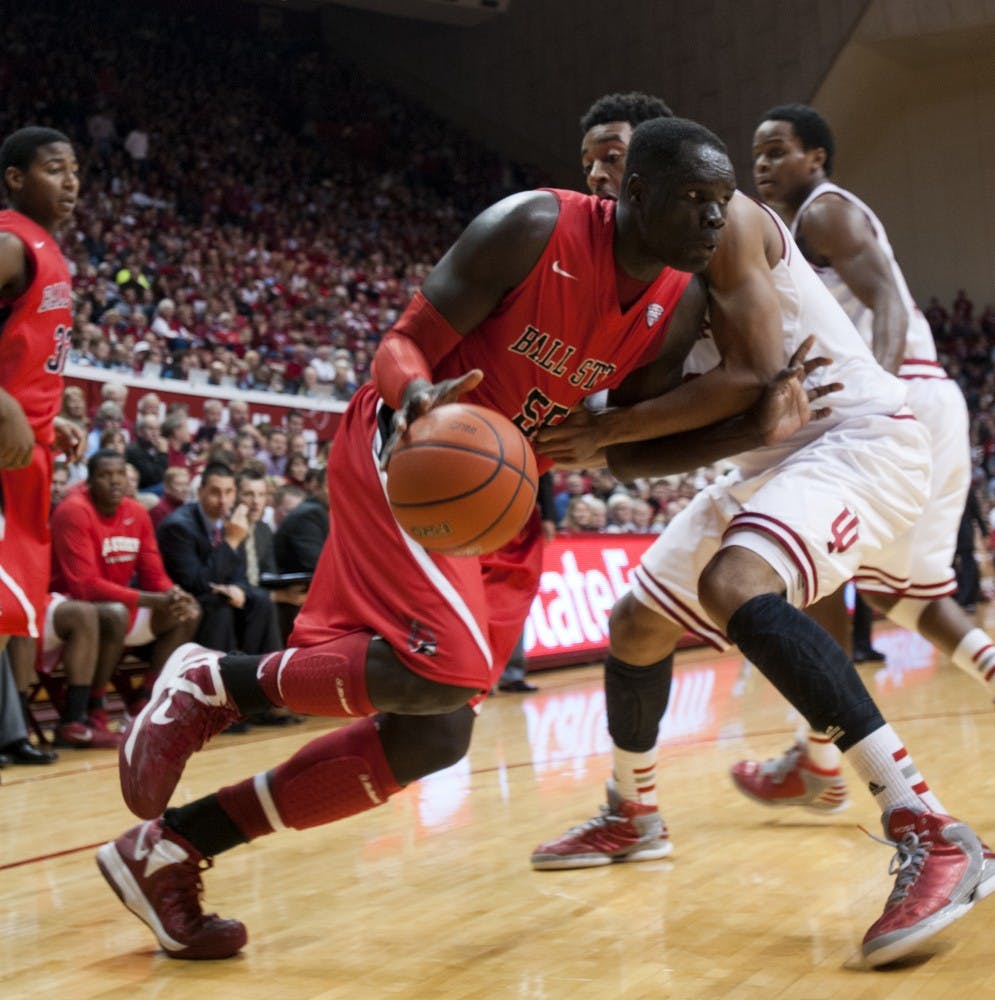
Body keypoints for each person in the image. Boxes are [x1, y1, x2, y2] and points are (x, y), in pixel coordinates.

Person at [96, 117, 820, 961]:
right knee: (447, 670)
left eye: (717, 202)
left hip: (500, 494)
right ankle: (212, 681)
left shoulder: (677, 304)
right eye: (692, 199)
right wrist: (417, 399)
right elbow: (398, 345)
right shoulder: (531, 226)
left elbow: (621, 455)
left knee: (434, 731)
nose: (710, 219)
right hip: (414, 444)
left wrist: (747, 431)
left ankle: (171, 849)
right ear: (635, 195)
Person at [527, 115, 993, 967]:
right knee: (633, 622)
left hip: (858, 436)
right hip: (770, 461)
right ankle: (634, 813)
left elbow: (747, 378)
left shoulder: (727, 223)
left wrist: (614, 431)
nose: (602, 173)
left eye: (619, 155)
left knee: (744, 584)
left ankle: (928, 826)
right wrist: (601, 437)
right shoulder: (617, 289)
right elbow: (636, 454)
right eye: (591, 159)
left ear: (657, 170)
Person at [731, 103, 995, 811]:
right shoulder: (798, 225)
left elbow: (884, 298)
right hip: (926, 399)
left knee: (816, 577)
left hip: (899, 397)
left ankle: (820, 760)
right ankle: (816, 758)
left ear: (815, 157)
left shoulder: (825, 213)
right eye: (754, 153)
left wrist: (878, 396)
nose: (760, 165)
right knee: (904, 595)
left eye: (777, 150)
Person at [0, 126, 85, 661]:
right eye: (54, 169)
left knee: (6, 615)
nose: (70, 182)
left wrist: (50, 420)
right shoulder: (10, 241)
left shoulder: (44, 248)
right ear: (15, 178)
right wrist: (4, 404)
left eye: (74, 171)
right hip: (4, 450)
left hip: (29, 452)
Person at [50, 450, 200, 679]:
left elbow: (154, 574)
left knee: (188, 611)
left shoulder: (137, 511)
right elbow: (85, 587)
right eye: (105, 474)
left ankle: (149, 696)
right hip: (68, 605)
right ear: (89, 482)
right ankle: (95, 702)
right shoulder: (74, 510)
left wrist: (173, 593)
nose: (115, 480)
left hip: (118, 603)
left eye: (120, 473)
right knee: (116, 613)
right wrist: (153, 600)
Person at [156, 462, 280, 655]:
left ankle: (261, 672)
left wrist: (239, 588)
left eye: (229, 492)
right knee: (219, 607)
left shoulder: (228, 520)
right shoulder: (178, 527)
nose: (223, 500)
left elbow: (240, 571)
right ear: (200, 491)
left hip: (217, 595)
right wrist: (231, 542)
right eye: (216, 492)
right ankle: (218, 678)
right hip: (186, 602)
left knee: (260, 600)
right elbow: (196, 583)